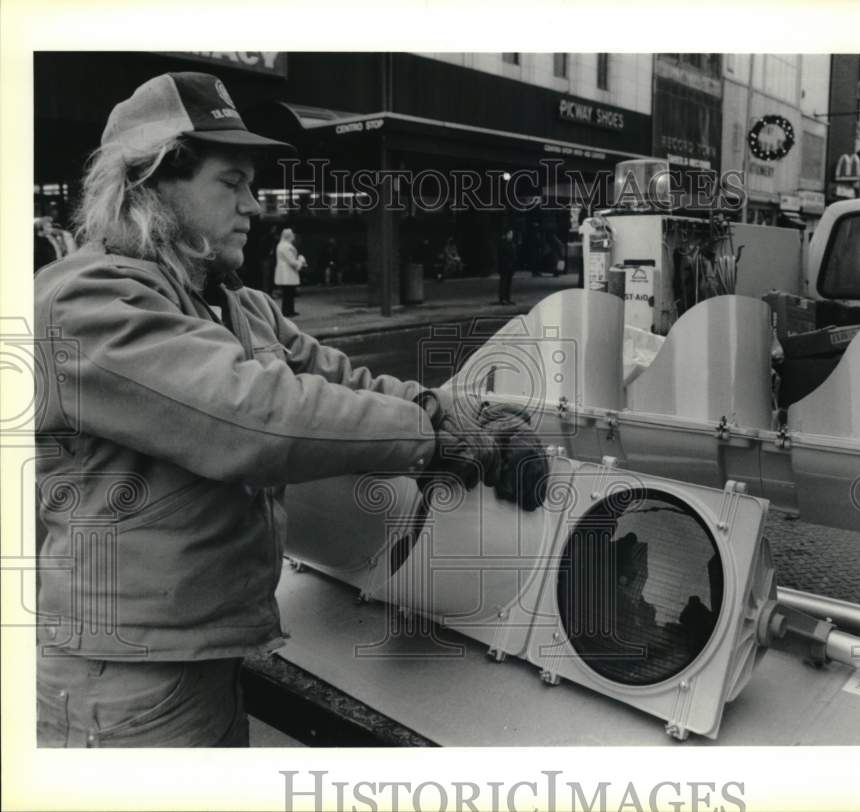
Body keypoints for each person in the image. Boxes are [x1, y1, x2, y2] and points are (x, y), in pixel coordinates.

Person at [33, 71, 545, 748]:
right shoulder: (85, 304)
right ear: (152, 181)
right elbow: (252, 417)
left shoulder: (235, 303)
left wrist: (452, 414)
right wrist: (431, 440)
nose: (256, 204)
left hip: (203, 661)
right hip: (123, 683)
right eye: (231, 181)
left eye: (254, 182)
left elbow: (339, 380)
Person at [273, 227, 306, 316]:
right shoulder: (285, 246)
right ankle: (287, 311)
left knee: (289, 293)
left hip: (286, 272)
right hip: (287, 273)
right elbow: (291, 261)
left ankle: (290, 310)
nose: (294, 237)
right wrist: (301, 261)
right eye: (292, 235)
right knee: (288, 294)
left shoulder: (282, 245)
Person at [497, 228, 516, 305]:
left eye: (512, 234)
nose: (511, 236)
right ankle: (502, 298)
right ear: (506, 234)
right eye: (510, 234)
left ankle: (507, 298)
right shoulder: (503, 243)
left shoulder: (511, 243)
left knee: (508, 283)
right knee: (503, 283)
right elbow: (501, 256)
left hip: (510, 266)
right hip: (504, 266)